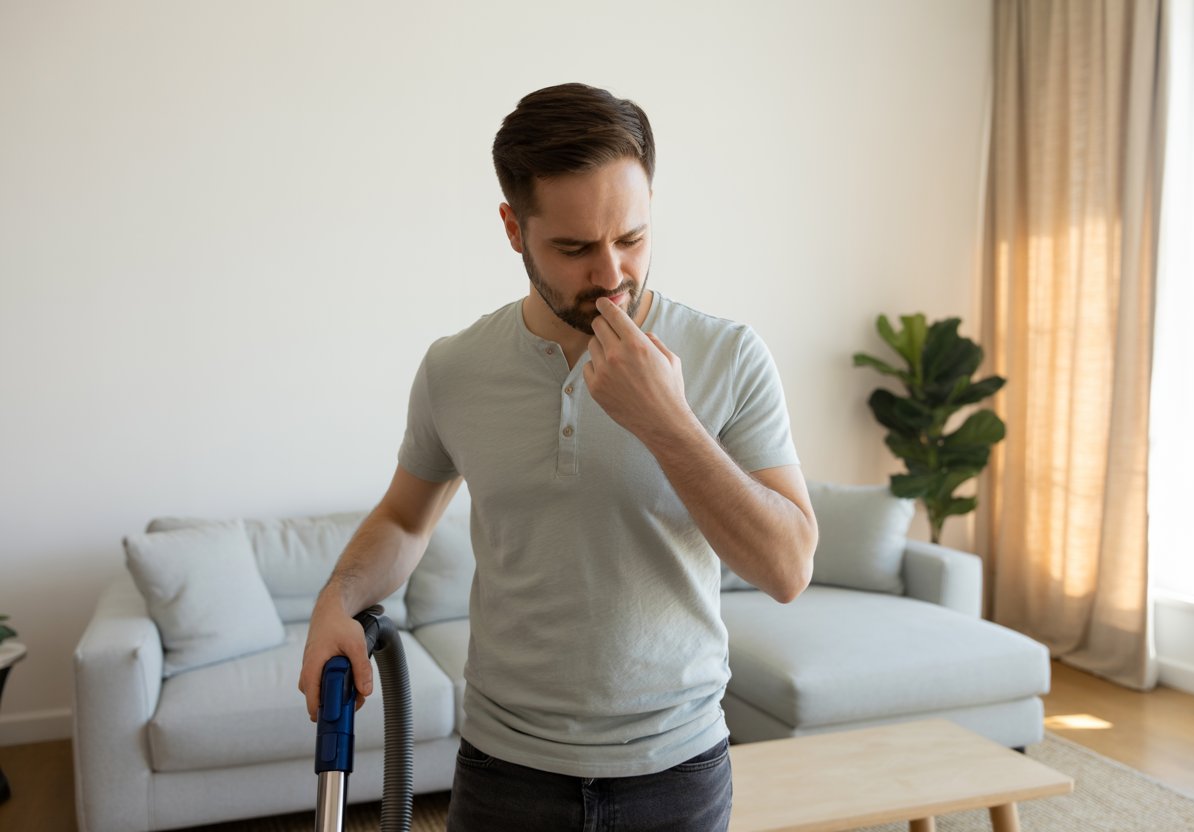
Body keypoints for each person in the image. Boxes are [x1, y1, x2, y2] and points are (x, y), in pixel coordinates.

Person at [298, 81, 818, 832]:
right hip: (504, 771)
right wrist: (333, 600)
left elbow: (788, 568)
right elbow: (404, 522)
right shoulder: (456, 368)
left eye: (632, 238)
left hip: (675, 773)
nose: (610, 274)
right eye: (574, 248)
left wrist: (668, 421)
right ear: (514, 228)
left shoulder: (729, 355)